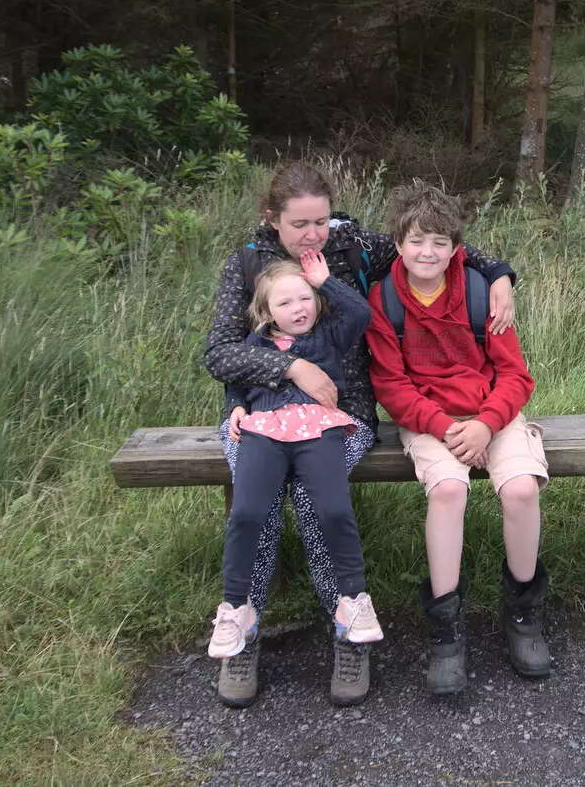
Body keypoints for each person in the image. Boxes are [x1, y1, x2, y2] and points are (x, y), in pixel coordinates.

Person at [202, 160, 516, 708]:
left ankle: (350, 631)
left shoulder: (351, 245)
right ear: (272, 219)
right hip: (259, 412)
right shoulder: (247, 265)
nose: (313, 235)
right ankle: (241, 634)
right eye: (300, 225)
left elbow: (438, 245)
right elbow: (220, 352)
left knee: (312, 493)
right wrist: (289, 369)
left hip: (344, 413)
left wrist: (502, 275)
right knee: (260, 501)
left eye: (320, 221)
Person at [364, 183, 551, 695]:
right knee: (448, 491)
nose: (429, 253)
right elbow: (390, 385)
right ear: (398, 244)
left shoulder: (478, 291)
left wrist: (488, 423)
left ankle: (523, 615)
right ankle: (445, 631)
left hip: (492, 412)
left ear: (455, 247)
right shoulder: (383, 301)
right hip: (429, 420)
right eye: (418, 241)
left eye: (440, 243)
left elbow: (516, 375)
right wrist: (446, 427)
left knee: (520, 489)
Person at [210, 251, 383, 702]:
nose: (299, 309)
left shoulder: (327, 334)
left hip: (317, 429)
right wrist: (235, 407)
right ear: (267, 313)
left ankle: (352, 605)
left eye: (305, 299)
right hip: (265, 431)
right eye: (285, 304)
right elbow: (235, 378)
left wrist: (325, 282)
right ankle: (236, 610)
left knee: (329, 508)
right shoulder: (254, 344)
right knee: (248, 511)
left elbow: (359, 312)